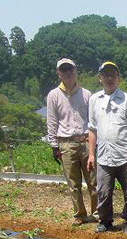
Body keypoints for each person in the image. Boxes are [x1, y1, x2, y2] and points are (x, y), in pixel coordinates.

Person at [87, 62, 127, 234]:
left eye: (113, 75)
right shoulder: (94, 100)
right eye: (105, 75)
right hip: (103, 155)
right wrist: (91, 155)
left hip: (124, 154)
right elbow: (92, 128)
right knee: (103, 191)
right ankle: (106, 220)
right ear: (100, 78)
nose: (109, 78)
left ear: (118, 78)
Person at [46, 58, 97, 226]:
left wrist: (94, 143)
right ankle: (80, 214)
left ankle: (97, 212)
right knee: (73, 182)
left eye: (70, 70)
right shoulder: (54, 95)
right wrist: (54, 146)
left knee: (93, 180)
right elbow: (52, 121)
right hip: (66, 143)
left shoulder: (87, 94)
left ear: (76, 71)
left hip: (85, 141)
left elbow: (92, 121)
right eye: (64, 70)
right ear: (59, 73)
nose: (68, 73)